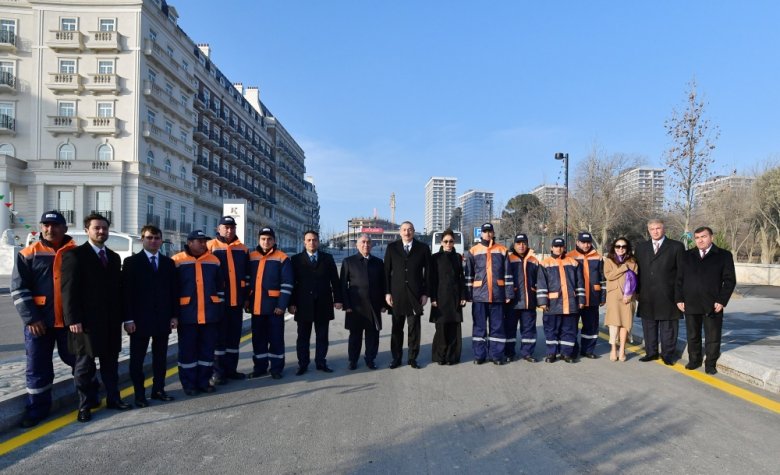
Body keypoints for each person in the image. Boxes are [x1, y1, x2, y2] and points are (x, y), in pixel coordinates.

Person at [12, 211, 78, 428]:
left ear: (65, 228)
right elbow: (19, 289)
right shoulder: (28, 253)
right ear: (41, 227)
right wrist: (32, 318)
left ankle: (90, 396)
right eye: (46, 225)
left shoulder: (76, 253)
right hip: (39, 324)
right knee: (37, 366)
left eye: (55, 225)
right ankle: (37, 409)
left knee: (79, 361)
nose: (50, 229)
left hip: (69, 322)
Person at [62, 213, 130, 422]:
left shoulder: (113, 257)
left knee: (111, 364)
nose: (101, 231)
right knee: (84, 368)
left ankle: (113, 398)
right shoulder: (75, 256)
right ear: (87, 231)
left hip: (110, 322)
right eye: (97, 228)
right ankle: (85, 406)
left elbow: (118, 291)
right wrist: (73, 319)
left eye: (104, 228)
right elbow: (68, 292)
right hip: (85, 324)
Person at [122, 225, 178, 407]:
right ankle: (139, 394)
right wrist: (128, 319)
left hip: (162, 319)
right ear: (142, 240)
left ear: (161, 241)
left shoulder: (168, 263)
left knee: (160, 358)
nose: (153, 241)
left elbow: (173, 292)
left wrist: (174, 316)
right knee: (137, 360)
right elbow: (126, 294)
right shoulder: (131, 263)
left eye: (156, 238)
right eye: (149, 238)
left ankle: (158, 390)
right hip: (139, 321)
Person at [676, 226, 736, 375]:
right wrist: (679, 299)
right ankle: (694, 360)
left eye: (703, 236)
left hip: (713, 304)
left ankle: (710, 363)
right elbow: (679, 280)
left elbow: (729, 281)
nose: (700, 240)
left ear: (711, 237)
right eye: (697, 238)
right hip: (690, 302)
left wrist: (721, 301)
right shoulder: (687, 255)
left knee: (713, 336)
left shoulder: (723, 255)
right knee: (693, 335)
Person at [171, 230, 224, 395]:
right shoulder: (177, 260)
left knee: (207, 351)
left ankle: (204, 382)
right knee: (188, 352)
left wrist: (219, 311)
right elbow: (172, 291)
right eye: (199, 241)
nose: (203, 244)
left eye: (204, 241)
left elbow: (220, 288)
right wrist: (174, 315)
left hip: (209, 314)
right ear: (189, 242)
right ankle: (189, 384)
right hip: (188, 315)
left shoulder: (214, 260)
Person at [290, 230, 343, 375]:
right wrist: (291, 303)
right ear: (304, 242)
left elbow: (335, 281)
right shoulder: (296, 260)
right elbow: (292, 283)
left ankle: (321, 362)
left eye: (314, 240)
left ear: (318, 242)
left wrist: (338, 299)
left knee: (322, 336)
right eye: (308, 240)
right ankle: (303, 364)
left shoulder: (328, 258)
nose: (311, 242)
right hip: (303, 304)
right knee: (303, 337)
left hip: (323, 303)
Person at [635, 218, 685, 365]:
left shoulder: (676, 246)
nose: (655, 231)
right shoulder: (641, 248)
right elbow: (637, 272)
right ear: (648, 230)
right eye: (652, 229)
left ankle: (668, 355)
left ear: (664, 229)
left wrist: (680, 296)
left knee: (668, 328)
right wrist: (636, 291)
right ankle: (651, 352)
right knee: (648, 325)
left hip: (668, 294)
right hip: (647, 294)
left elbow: (682, 273)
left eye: (658, 228)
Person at [207, 216, 250, 385]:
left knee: (233, 338)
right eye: (226, 227)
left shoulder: (243, 249)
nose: (229, 230)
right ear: (219, 228)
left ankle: (231, 370)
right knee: (219, 339)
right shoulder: (210, 246)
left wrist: (246, 298)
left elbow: (247, 276)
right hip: (218, 303)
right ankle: (218, 373)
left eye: (232, 227)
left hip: (236, 302)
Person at [247, 227, 293, 379]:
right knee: (258, 340)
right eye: (263, 239)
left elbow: (287, 284)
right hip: (256, 307)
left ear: (274, 240)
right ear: (258, 240)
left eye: (269, 239)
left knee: (276, 340)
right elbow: (247, 281)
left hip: (275, 309)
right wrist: (247, 301)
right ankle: (260, 368)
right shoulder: (251, 257)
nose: (266, 242)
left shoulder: (282, 258)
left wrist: (281, 306)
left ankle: (276, 369)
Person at [464, 223, 514, 365]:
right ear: (481, 233)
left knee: (497, 327)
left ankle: (496, 355)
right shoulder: (473, 251)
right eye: (485, 231)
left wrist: (509, 293)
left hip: (498, 295)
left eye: (489, 231)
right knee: (479, 327)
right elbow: (469, 274)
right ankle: (479, 355)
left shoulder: (502, 250)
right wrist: (468, 294)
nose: (487, 234)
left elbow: (508, 274)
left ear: (493, 233)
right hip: (479, 295)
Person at [384, 221, 430, 369]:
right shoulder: (392, 248)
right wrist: (387, 293)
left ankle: (412, 358)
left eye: (410, 229)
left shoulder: (423, 248)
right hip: (396, 295)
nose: (407, 232)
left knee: (414, 329)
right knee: (396, 329)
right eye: (404, 230)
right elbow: (386, 272)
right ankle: (396, 358)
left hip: (415, 295)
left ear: (414, 231)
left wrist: (425, 293)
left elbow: (428, 273)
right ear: (400, 232)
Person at [340, 234, 386, 370]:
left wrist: (383, 304)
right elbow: (343, 285)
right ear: (357, 245)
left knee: (373, 335)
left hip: (374, 305)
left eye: (368, 242)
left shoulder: (378, 262)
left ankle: (370, 359)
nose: (366, 245)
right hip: (355, 306)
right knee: (355, 336)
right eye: (363, 242)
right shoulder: (348, 261)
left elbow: (383, 284)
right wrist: (346, 305)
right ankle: (353, 360)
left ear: (371, 245)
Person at [536, 237, 585, 363]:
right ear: (552, 247)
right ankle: (551, 353)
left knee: (569, 330)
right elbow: (541, 284)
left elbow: (580, 283)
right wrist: (542, 302)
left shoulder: (573, 263)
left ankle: (566, 353)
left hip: (570, 303)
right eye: (556, 246)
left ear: (564, 247)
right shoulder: (544, 263)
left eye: (561, 246)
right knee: (551, 330)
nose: (559, 248)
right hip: (552, 304)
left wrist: (581, 300)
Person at [429, 229, 466, 365]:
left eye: (451, 241)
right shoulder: (435, 258)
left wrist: (463, 296)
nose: (448, 244)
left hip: (455, 297)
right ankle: (440, 356)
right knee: (441, 329)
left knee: (454, 328)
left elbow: (461, 278)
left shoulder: (458, 257)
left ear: (454, 242)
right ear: (441, 242)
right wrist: (433, 298)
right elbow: (431, 280)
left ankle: (452, 356)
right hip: (440, 297)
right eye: (446, 241)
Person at [568, 232, 606, 359]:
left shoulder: (598, 257)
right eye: (583, 242)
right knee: (572, 326)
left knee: (591, 326)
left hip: (593, 297)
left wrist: (603, 296)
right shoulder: (569, 256)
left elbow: (603, 279)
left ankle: (588, 350)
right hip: (575, 298)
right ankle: (572, 350)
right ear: (577, 242)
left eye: (588, 242)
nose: (586, 245)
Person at [505, 233, 540, 363]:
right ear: (514, 245)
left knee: (529, 330)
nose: (521, 246)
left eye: (524, 243)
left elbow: (539, 280)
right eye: (519, 243)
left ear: (527, 244)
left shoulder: (534, 260)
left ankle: (527, 352)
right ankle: (509, 353)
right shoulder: (508, 259)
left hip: (529, 301)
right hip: (512, 302)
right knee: (510, 329)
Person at [603, 237, 638, 362]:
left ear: (627, 248)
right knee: (614, 324)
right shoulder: (608, 260)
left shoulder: (633, 261)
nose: (620, 249)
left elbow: (635, 280)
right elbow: (609, 276)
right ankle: (613, 348)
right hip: (613, 296)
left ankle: (622, 349)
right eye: (618, 246)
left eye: (623, 246)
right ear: (614, 247)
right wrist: (623, 268)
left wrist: (629, 295)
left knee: (625, 324)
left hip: (628, 297)